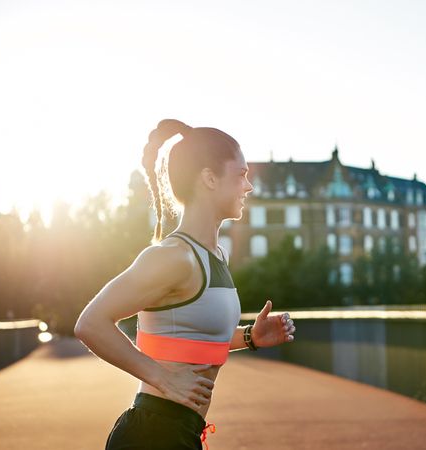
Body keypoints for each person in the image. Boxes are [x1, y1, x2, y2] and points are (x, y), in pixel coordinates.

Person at [74, 119, 296, 449]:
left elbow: (189, 337)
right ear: (209, 178)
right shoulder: (173, 256)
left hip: (181, 431)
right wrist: (160, 377)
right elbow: (90, 323)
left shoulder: (216, 255)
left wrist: (249, 336)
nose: (248, 186)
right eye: (241, 175)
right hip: (152, 435)